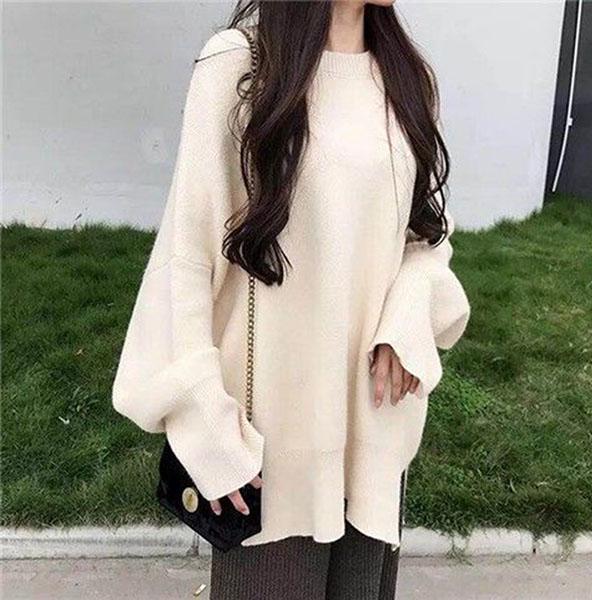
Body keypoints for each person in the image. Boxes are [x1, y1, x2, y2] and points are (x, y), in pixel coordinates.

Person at [112, 1, 470, 598]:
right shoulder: (240, 68)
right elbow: (186, 258)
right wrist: (204, 420)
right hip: (269, 449)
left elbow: (427, 234)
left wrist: (410, 312)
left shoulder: (410, 77)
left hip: (373, 432)